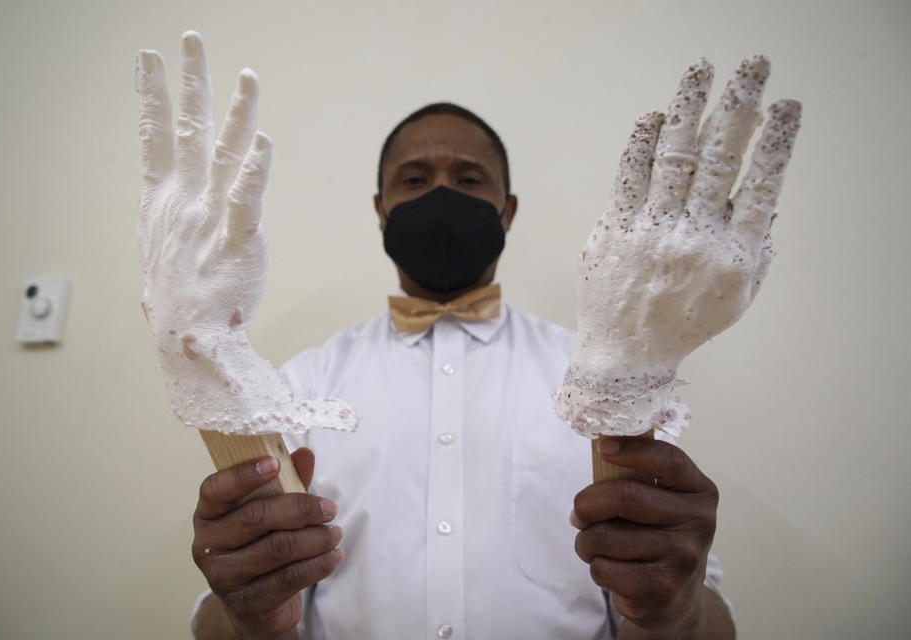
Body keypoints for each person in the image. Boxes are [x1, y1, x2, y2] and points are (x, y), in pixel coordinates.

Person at [190, 103, 735, 640]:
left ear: (508, 210)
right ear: (381, 210)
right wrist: (247, 615)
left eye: (469, 179)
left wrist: (676, 610)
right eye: (414, 179)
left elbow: (685, 613)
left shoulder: (604, 384)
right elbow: (245, 610)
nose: (441, 196)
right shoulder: (302, 389)